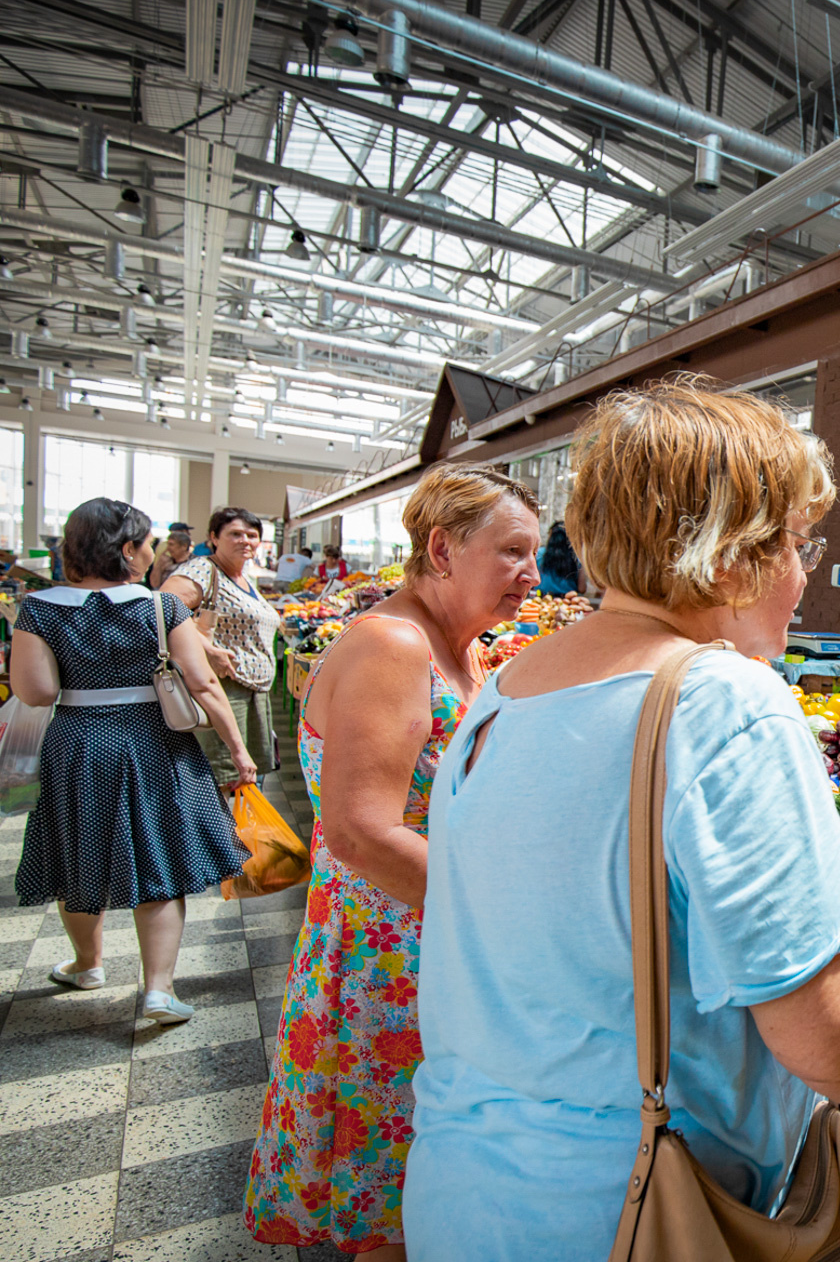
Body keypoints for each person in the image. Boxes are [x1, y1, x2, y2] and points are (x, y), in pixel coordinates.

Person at [402, 377, 840, 1260]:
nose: (800, 576)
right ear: (728, 554)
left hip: (462, 1195)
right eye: (795, 544)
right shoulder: (721, 702)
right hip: (634, 1220)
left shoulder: (505, 694)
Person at [245, 464, 542, 1259]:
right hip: (390, 950)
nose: (532, 575)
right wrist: (502, 917)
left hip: (431, 936)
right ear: (442, 550)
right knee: (390, 1189)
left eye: (535, 555)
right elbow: (358, 830)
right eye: (513, 552)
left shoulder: (461, 649)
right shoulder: (392, 644)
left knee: (428, 1171)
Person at [9, 498, 257, 1024]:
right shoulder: (159, 608)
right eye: (147, 543)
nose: (152, 552)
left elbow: (36, 690)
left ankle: (87, 963)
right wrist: (238, 751)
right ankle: (159, 991)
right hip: (156, 742)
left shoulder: (39, 608)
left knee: (78, 850)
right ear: (127, 550)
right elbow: (205, 684)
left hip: (79, 743)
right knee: (161, 859)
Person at [161, 509, 280, 785]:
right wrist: (208, 650)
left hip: (252, 692)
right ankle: (223, 829)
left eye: (252, 535)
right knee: (227, 778)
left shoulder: (243, 577)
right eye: (235, 534)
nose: (245, 541)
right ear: (214, 537)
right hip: (223, 690)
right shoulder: (204, 569)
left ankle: (238, 828)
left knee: (247, 778)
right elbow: (163, 607)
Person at [534, 520, 584, 595]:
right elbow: (582, 588)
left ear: (550, 536)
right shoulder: (576, 558)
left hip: (540, 601)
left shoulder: (539, 554)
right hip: (568, 602)